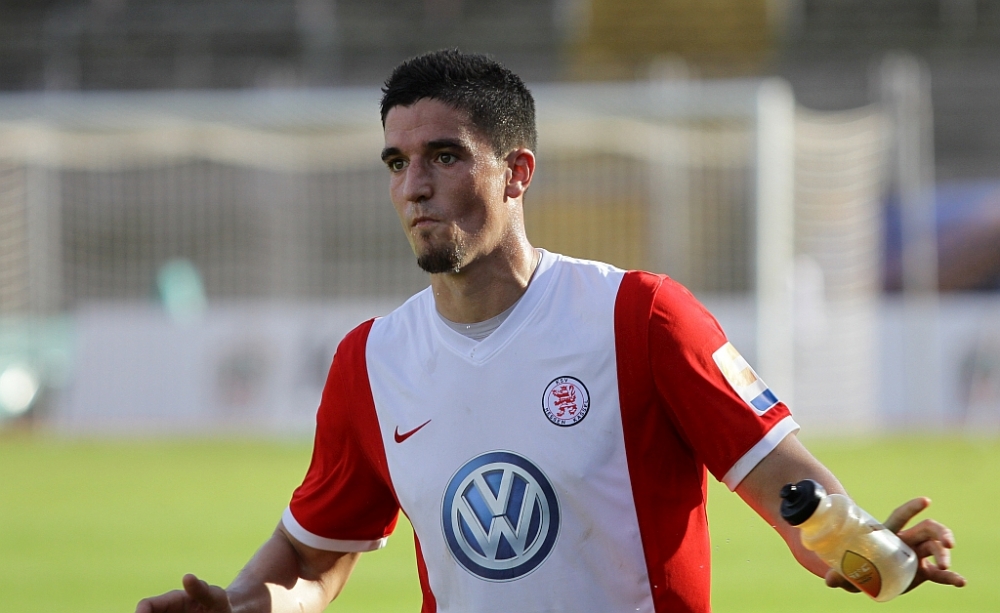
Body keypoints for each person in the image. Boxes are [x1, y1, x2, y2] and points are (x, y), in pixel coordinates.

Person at [136, 49, 966, 613]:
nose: (415, 185)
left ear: (517, 172)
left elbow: (794, 496)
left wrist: (863, 545)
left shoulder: (641, 318)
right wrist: (246, 602)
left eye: (445, 156)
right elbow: (315, 560)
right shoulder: (371, 360)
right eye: (397, 162)